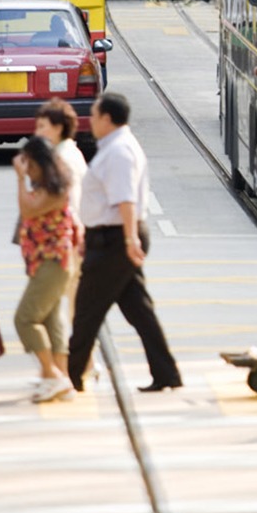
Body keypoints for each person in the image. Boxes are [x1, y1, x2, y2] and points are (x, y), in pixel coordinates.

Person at [66, 92, 183, 394]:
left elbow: (125, 200)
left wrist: (130, 239)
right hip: (109, 235)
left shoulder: (118, 152)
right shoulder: (116, 147)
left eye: (93, 116)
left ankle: (71, 375)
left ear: (106, 118)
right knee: (139, 311)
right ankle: (166, 373)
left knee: (87, 309)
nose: (90, 121)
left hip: (116, 237)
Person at [14, 136, 78, 403]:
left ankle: (53, 375)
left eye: (29, 163)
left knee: (25, 319)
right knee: (52, 321)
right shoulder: (47, 185)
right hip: (44, 261)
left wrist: (19, 179)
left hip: (53, 262)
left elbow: (28, 211)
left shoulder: (57, 188)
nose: (26, 169)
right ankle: (61, 379)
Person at [34, 100, 89, 325]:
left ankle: (76, 356)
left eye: (42, 127)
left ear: (58, 128)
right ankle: (80, 356)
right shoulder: (70, 152)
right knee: (69, 301)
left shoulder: (61, 158)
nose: (37, 133)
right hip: (71, 236)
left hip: (63, 238)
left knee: (47, 307)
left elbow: (59, 200)